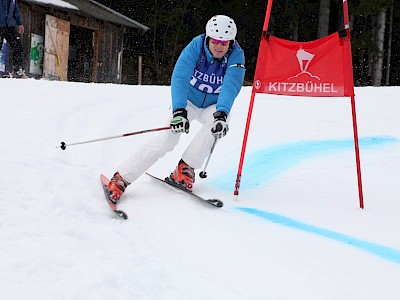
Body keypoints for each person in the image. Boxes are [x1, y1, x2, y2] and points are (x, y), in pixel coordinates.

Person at [106, 15, 246, 202]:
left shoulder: (236, 55)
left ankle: (184, 169)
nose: (219, 47)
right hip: (187, 101)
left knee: (218, 125)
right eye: (216, 41)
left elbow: (231, 85)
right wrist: (179, 111)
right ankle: (121, 178)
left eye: (225, 43)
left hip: (213, 105)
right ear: (208, 38)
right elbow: (180, 77)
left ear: (231, 42)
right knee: (167, 139)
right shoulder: (196, 47)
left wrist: (222, 113)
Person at [0, 0, 25, 78]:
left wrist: (20, 23)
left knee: (18, 46)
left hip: (9, 26)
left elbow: (16, 11)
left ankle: (17, 70)